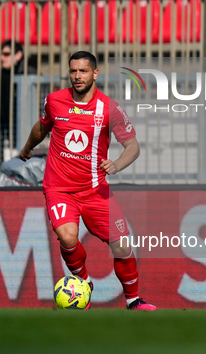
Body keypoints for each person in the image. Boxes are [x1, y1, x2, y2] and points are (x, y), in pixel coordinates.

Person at [19, 51, 156, 311]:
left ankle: (133, 300)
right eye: (73, 71)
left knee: (122, 246)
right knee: (67, 236)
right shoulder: (54, 101)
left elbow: (133, 147)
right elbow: (42, 127)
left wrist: (116, 164)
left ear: (95, 73)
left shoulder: (109, 108)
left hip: (95, 190)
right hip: (59, 188)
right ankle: (83, 283)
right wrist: (27, 148)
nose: (77, 76)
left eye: (83, 71)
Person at [0, 40, 36, 148]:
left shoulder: (28, 73)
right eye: (0, 54)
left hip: (27, 124)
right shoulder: (2, 74)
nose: (1, 58)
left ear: (18, 55)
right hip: (9, 124)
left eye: (6, 54)